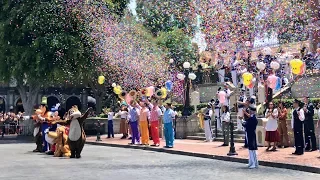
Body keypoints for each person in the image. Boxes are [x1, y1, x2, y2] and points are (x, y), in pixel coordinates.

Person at [243, 104, 258, 169]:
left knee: (252, 149)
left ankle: (254, 163)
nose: (249, 111)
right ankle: (251, 162)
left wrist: (243, 123)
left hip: (251, 134)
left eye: (250, 110)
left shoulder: (253, 118)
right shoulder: (251, 117)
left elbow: (247, 125)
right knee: (250, 149)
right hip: (249, 133)